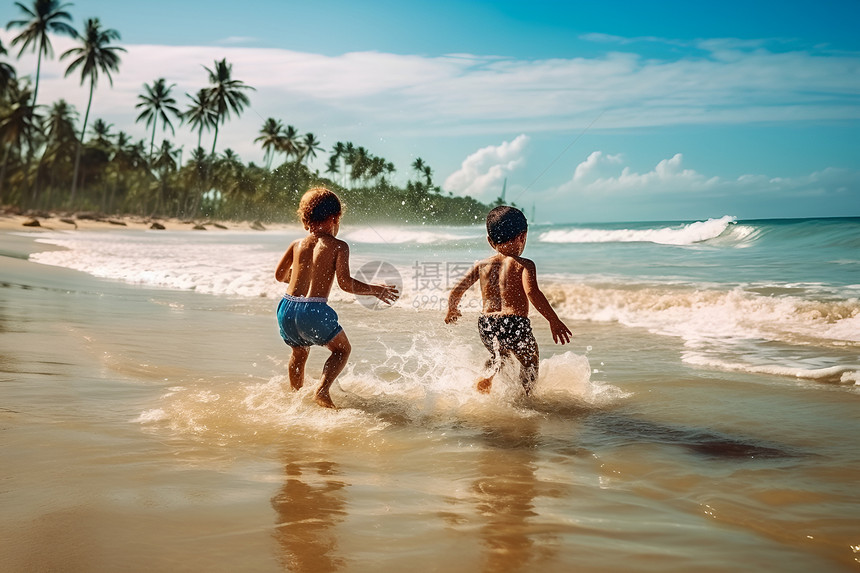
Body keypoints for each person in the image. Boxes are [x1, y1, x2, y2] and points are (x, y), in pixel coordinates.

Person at [275, 187, 399, 408]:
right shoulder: (338, 246)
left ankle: (295, 397)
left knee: (299, 351)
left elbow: (280, 275)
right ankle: (321, 392)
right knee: (342, 350)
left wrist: (301, 279)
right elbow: (345, 284)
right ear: (334, 218)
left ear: (306, 219)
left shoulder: (296, 245)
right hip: (313, 310)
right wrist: (374, 289)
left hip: (286, 307)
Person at [445, 206, 571, 396]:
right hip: (515, 322)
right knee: (530, 359)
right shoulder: (524, 264)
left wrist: (452, 310)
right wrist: (553, 320)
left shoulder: (481, 265)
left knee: (499, 356)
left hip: (486, 323)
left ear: (489, 240)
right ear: (523, 237)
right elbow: (533, 293)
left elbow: (456, 290)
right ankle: (526, 397)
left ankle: (485, 380)